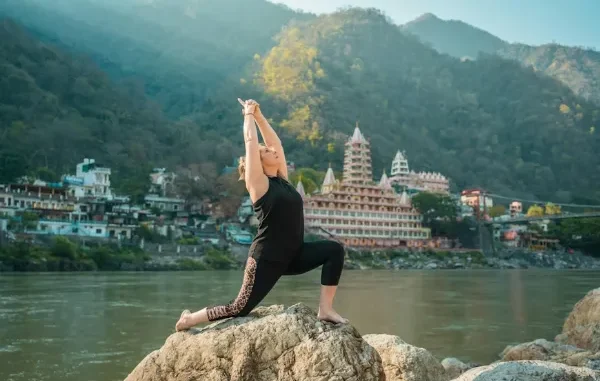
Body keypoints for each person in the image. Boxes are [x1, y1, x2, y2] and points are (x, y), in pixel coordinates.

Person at [175, 99, 347, 331]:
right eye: (265, 151)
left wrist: (259, 115)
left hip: (294, 254)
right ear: (257, 161)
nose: (272, 150)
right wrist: (247, 115)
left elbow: (276, 143)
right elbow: (250, 142)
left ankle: (325, 309)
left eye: (269, 149)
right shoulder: (259, 184)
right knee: (239, 308)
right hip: (266, 258)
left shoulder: (283, 181)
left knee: (334, 250)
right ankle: (189, 319)